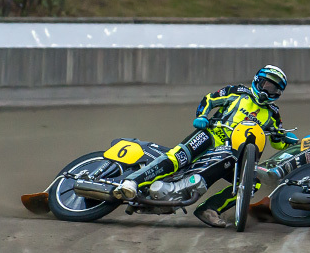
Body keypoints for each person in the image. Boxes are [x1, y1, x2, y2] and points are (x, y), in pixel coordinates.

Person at [114, 65, 299, 227]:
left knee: (252, 184)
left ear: (278, 94)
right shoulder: (237, 91)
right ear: (257, 81)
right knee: (177, 157)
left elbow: (276, 139)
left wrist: (287, 140)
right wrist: (202, 116)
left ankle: (210, 209)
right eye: (266, 85)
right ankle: (132, 182)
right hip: (210, 135)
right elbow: (210, 99)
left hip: (235, 154)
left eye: (273, 88)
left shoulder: (273, 114)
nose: (267, 91)